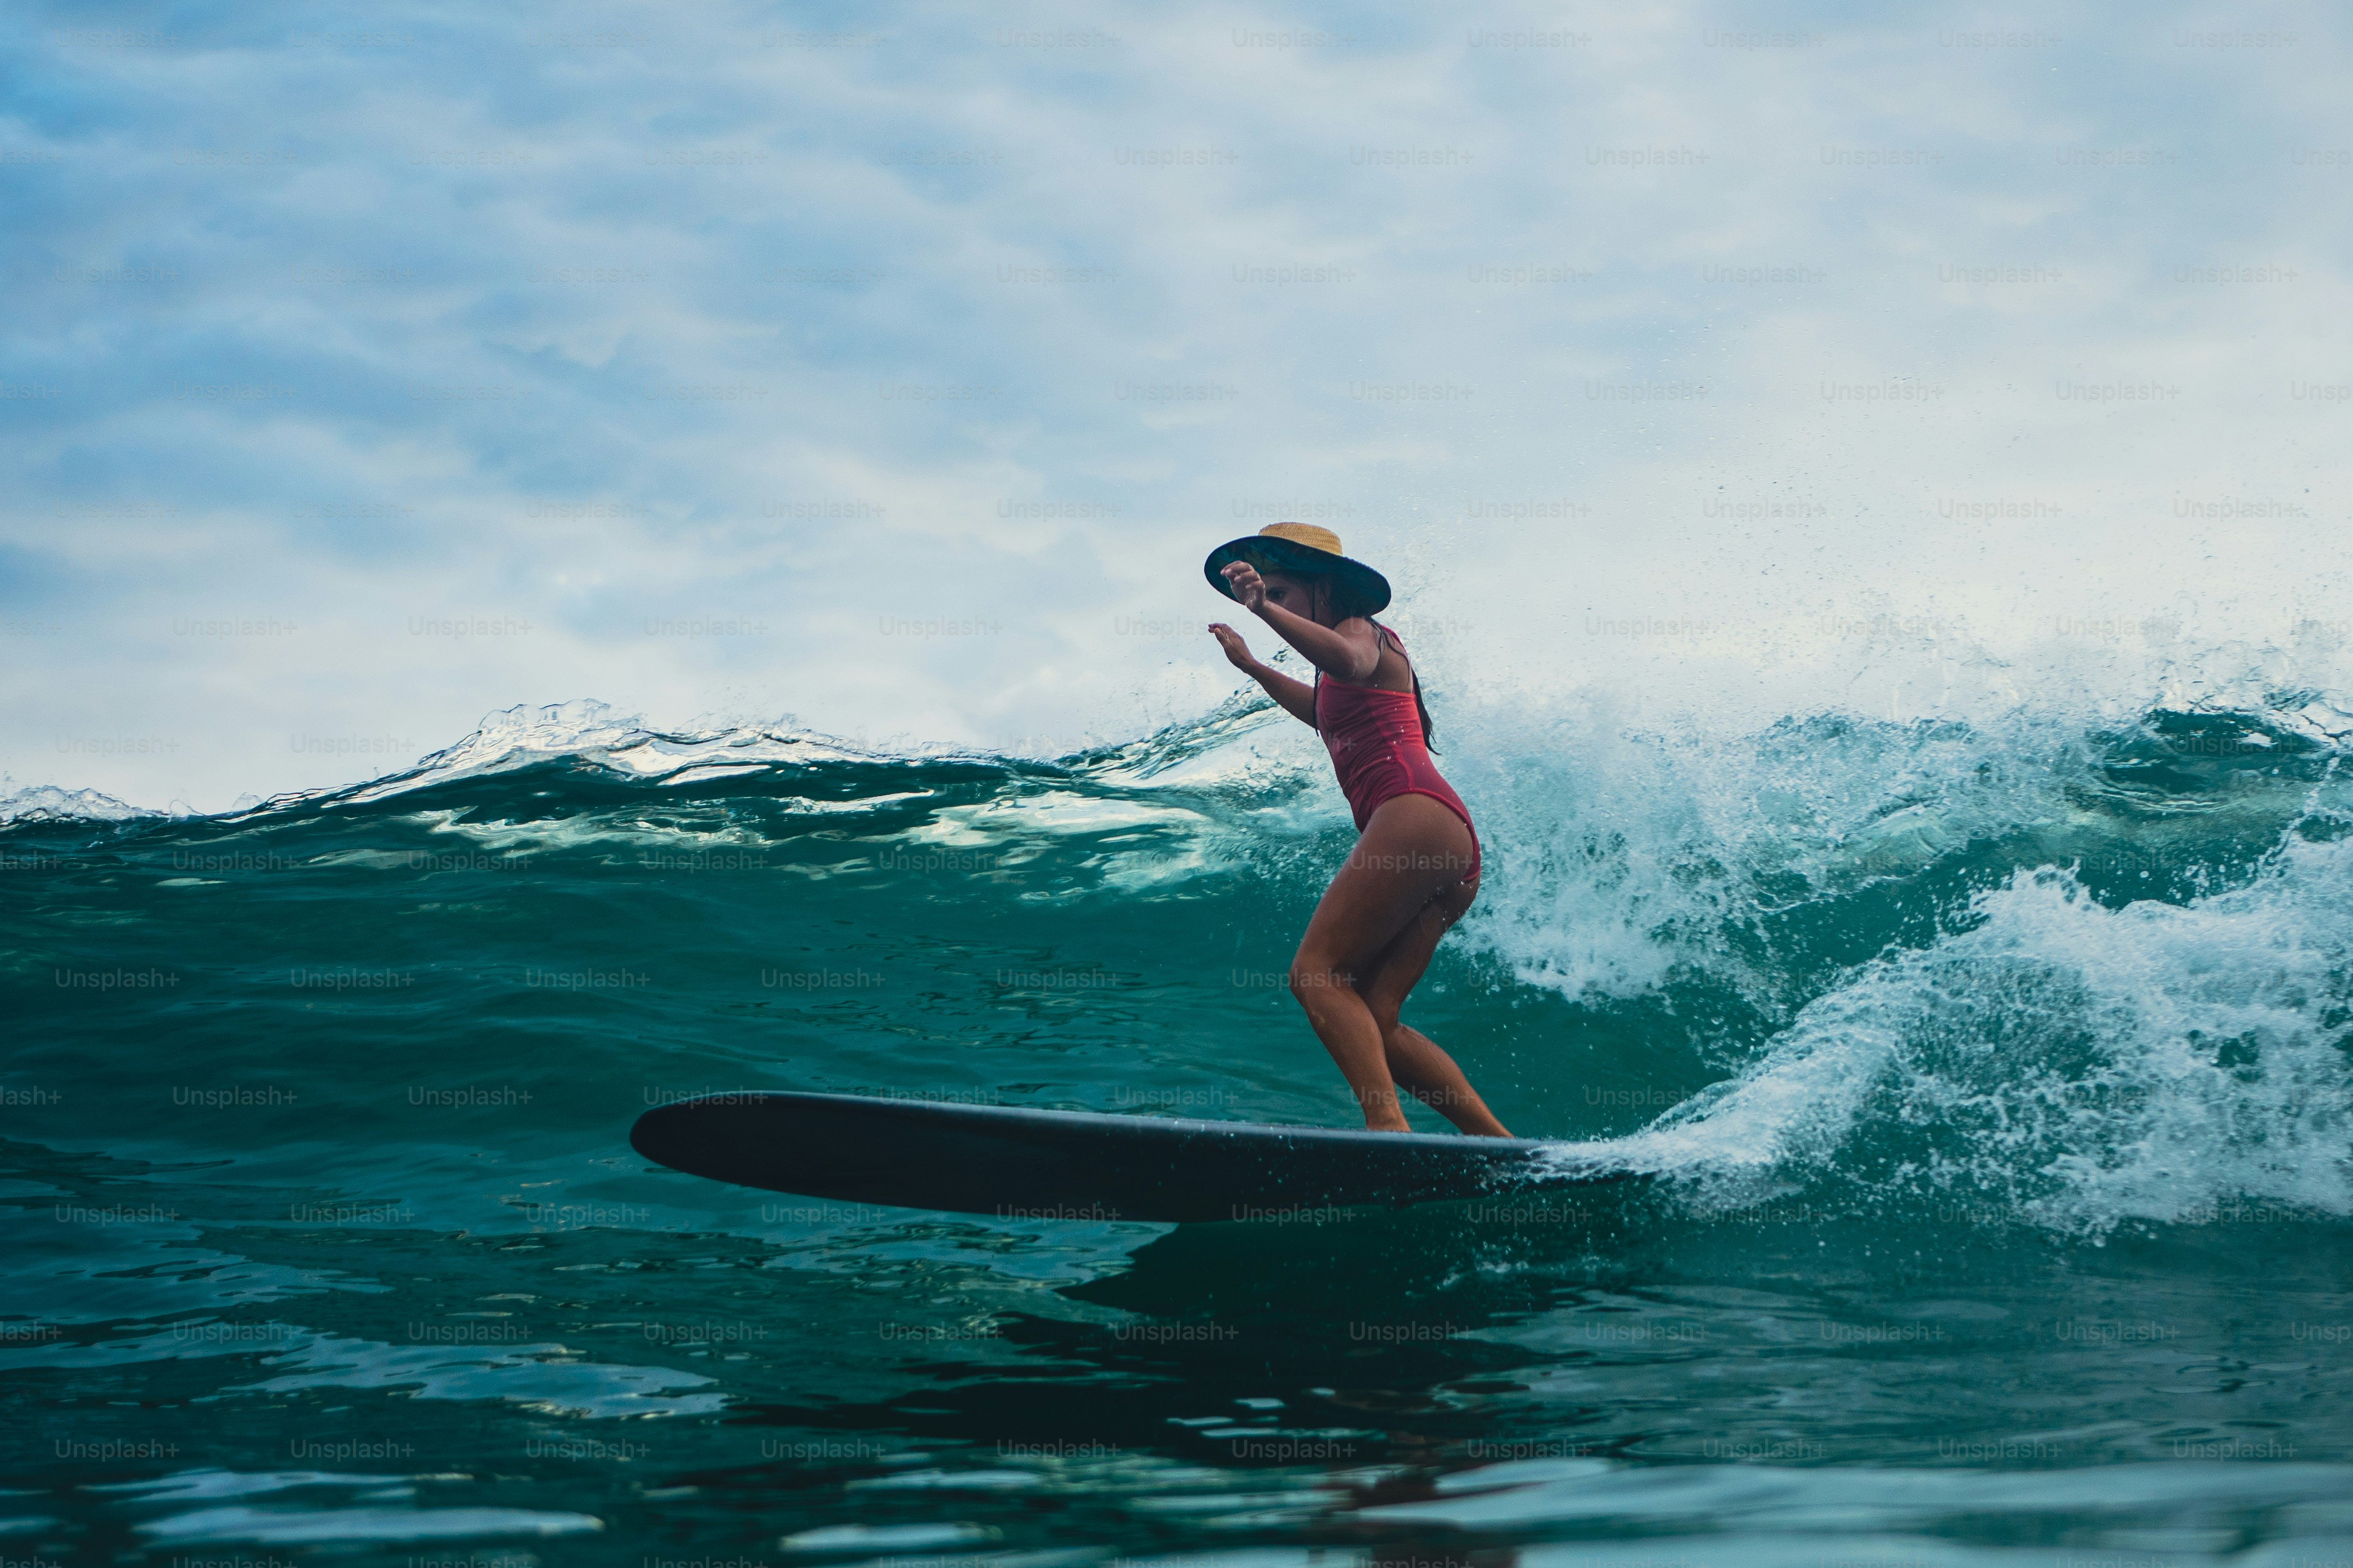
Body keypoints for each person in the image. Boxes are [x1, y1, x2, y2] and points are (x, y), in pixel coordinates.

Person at [1204, 523, 1511, 1137]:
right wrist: (1254, 667)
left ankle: (1386, 1128)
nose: (1274, 605)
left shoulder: (1358, 633)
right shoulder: (1336, 671)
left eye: (1283, 593)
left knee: (1315, 974)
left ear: (1322, 588)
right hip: (1447, 840)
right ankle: (1496, 1143)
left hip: (1411, 813)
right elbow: (1322, 712)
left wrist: (1260, 609)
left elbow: (1346, 659)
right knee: (1377, 1013)